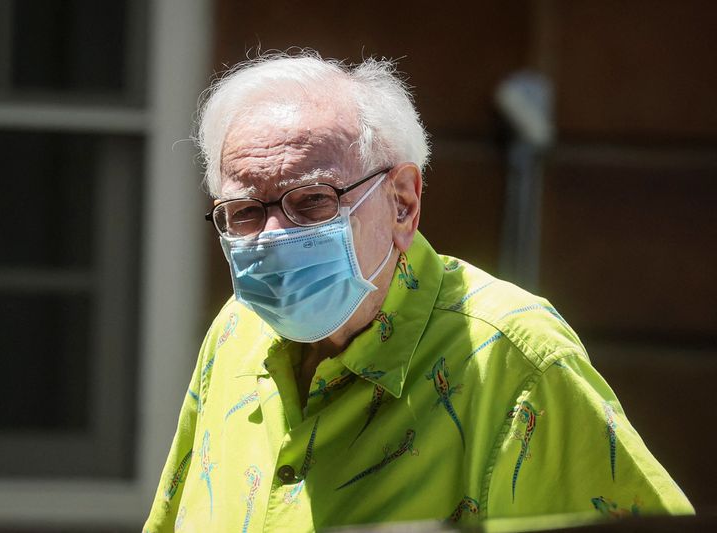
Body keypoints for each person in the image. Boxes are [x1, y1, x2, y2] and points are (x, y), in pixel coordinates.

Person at [143, 52, 693, 532]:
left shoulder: (516, 358)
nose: (272, 237)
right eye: (243, 212)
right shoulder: (236, 330)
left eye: (311, 201)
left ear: (403, 201)